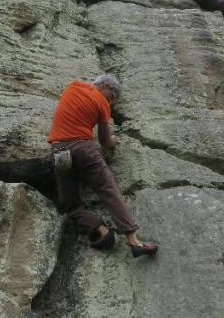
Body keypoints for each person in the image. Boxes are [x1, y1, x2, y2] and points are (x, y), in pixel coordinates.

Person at [47, 74, 158, 256]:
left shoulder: (73, 86)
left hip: (59, 151)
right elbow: (105, 141)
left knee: (70, 205)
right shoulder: (102, 102)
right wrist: (115, 141)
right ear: (107, 89)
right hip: (83, 149)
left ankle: (101, 230)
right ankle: (133, 241)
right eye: (112, 97)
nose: (111, 101)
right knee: (107, 189)